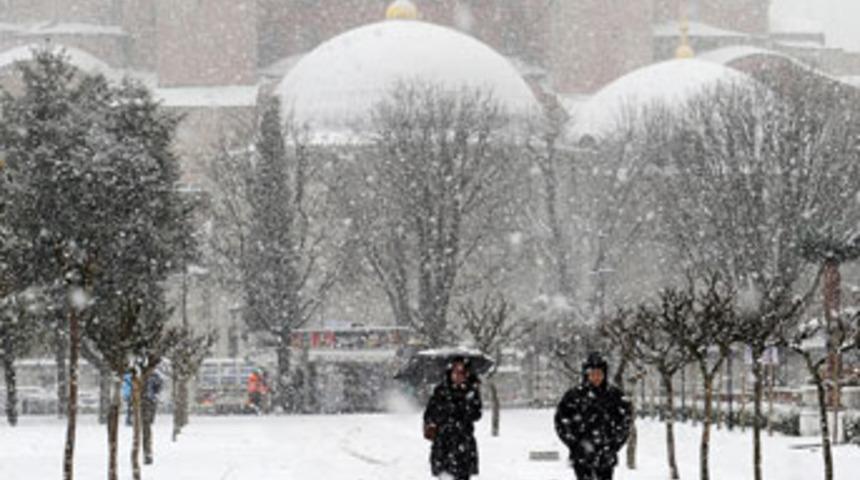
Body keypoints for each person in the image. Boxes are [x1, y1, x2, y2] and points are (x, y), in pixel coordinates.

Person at [554, 352, 632, 480]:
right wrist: (574, 444)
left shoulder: (615, 396)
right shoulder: (573, 396)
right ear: (586, 374)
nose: (596, 377)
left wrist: (613, 445)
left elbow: (625, 423)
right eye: (593, 374)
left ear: (604, 374)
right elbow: (561, 422)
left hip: (606, 455)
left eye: (599, 373)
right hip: (582, 455)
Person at [422, 358, 482, 480]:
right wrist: (443, 412)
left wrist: (466, 404)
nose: (458, 376)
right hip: (444, 443)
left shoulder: (471, 391)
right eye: (455, 371)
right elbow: (429, 414)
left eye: (461, 372)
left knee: (462, 476)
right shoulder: (441, 391)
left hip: (464, 444)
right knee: (445, 476)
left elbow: (477, 414)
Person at [141, 370, 163, 465]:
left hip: (148, 398)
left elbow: (159, 385)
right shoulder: (152, 376)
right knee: (147, 417)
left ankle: (148, 420)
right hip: (149, 398)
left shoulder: (152, 376)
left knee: (148, 417)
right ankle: (148, 420)